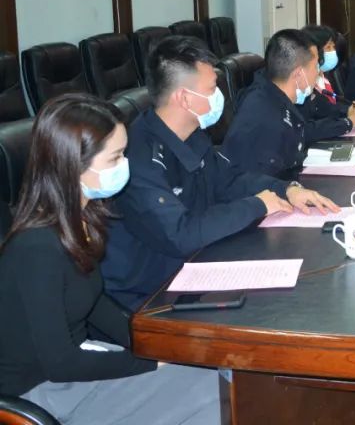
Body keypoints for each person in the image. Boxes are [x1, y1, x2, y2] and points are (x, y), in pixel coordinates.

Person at [0, 94, 222, 424]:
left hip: (79, 368)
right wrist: (151, 362)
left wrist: (153, 342)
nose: (125, 165)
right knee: (211, 395)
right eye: (115, 157)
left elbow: (93, 302)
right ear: (74, 166)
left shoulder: (83, 220)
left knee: (215, 375)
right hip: (42, 391)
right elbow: (60, 364)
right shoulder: (37, 248)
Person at [101, 36, 338, 310]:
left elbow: (228, 179)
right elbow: (180, 233)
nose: (219, 96)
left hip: (196, 265)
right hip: (150, 295)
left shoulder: (192, 134)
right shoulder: (138, 158)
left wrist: (286, 189)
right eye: (212, 88)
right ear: (184, 98)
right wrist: (258, 204)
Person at [222, 30, 355, 179]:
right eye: (316, 66)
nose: (318, 72)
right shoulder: (264, 114)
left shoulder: (277, 96)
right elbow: (259, 181)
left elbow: (301, 132)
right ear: (298, 73)